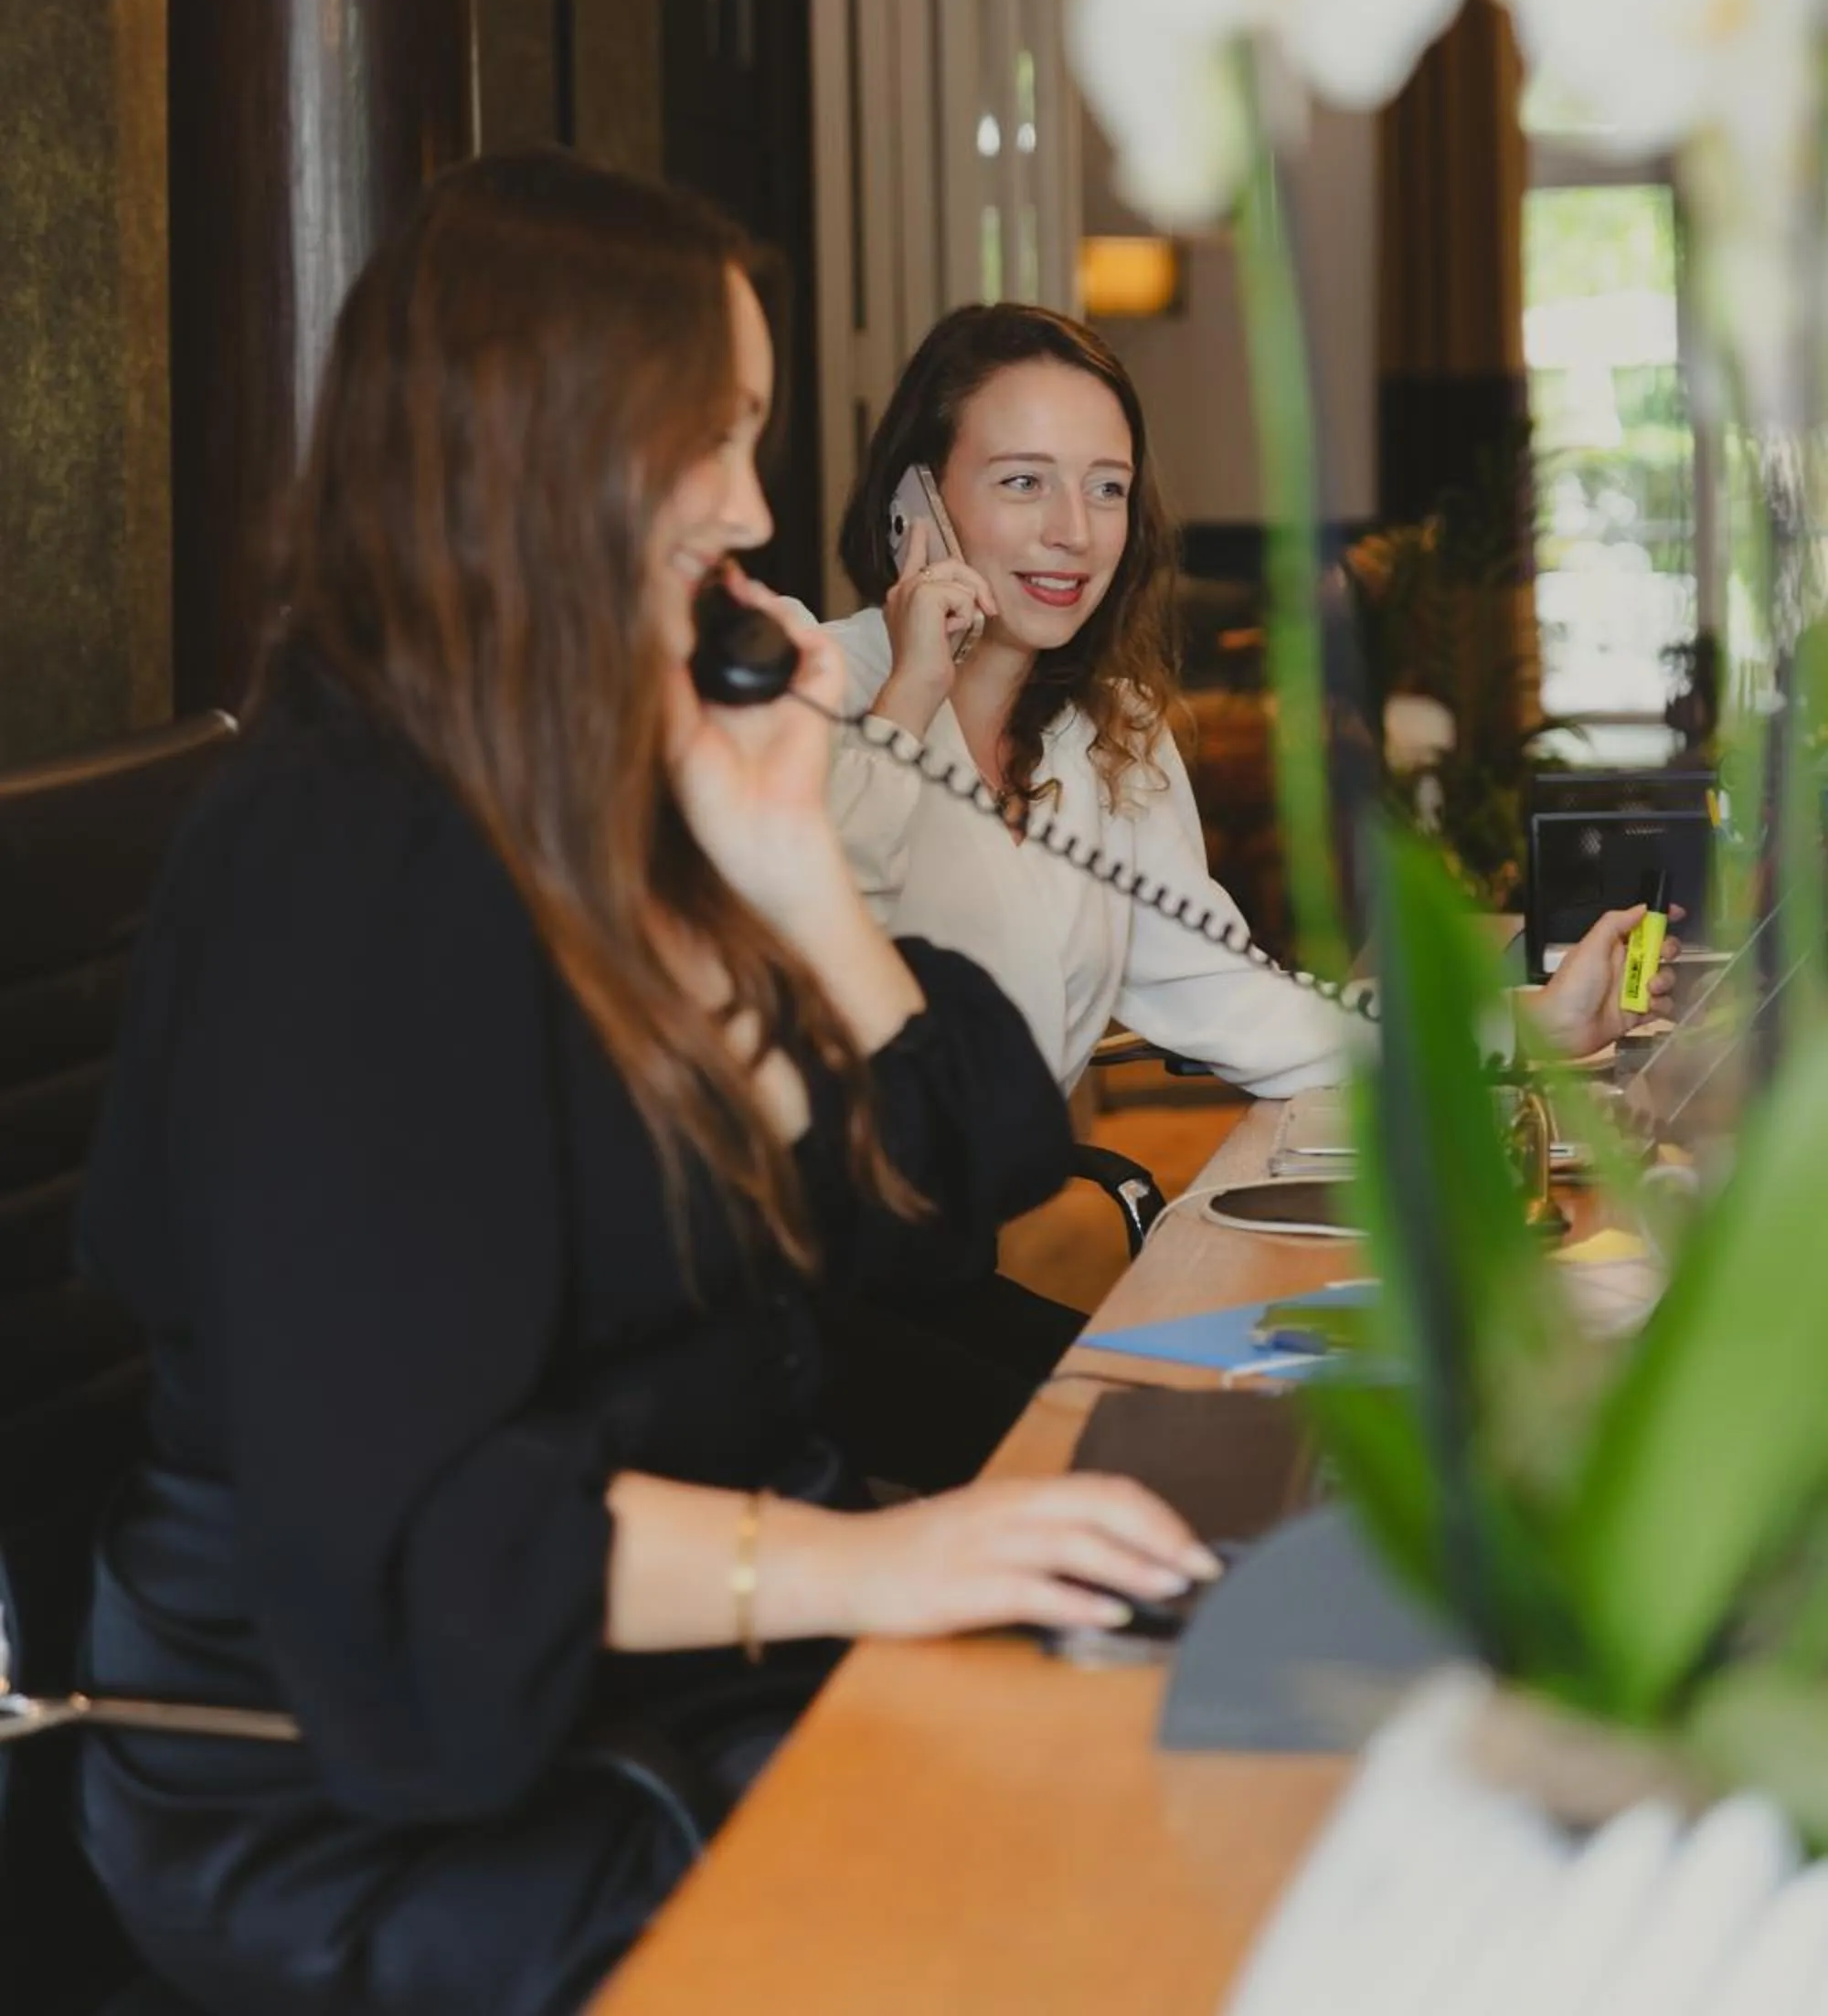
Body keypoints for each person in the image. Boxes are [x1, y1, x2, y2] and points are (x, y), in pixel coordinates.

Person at [77, 161, 1213, 2016]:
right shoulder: (347, 872)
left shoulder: (603, 792)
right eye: (719, 435)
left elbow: (949, 1186)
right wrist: (892, 1562)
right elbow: (428, 1542)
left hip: (664, 1681)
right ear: (552, 446)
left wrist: (794, 869)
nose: (759, 511)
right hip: (378, 1792)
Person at [823, 303, 1670, 1099]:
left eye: (1107, 488)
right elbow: (789, 956)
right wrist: (912, 695)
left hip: (967, 1245)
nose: (1075, 532)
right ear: (915, 506)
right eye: (1022, 482)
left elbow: (1240, 1003)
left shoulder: (1112, 734)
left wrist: (1536, 1024)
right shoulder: (815, 687)